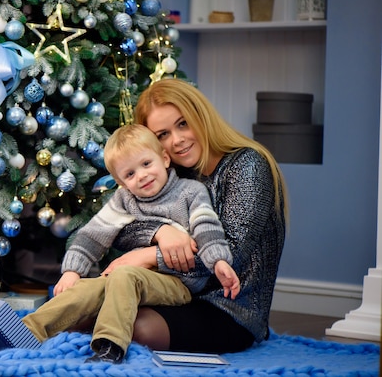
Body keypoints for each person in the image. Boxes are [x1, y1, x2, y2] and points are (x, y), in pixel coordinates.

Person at [22, 123, 240, 364]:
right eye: (130, 174)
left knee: (124, 275)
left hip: (178, 281)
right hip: (131, 276)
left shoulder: (191, 192)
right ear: (122, 183)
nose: (142, 176)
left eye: (146, 164)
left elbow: (207, 227)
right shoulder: (125, 199)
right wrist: (72, 271)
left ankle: (110, 344)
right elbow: (93, 234)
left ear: (164, 158)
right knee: (87, 288)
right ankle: (26, 330)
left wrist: (218, 260)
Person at [100, 78, 287, 354]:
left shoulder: (248, 164)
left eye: (183, 123)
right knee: (104, 307)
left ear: (201, 116)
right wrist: (161, 233)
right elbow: (120, 225)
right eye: (162, 134)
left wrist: (149, 255)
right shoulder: (173, 174)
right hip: (176, 292)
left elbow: (230, 255)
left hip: (231, 311)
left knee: (139, 329)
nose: (177, 141)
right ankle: (25, 336)